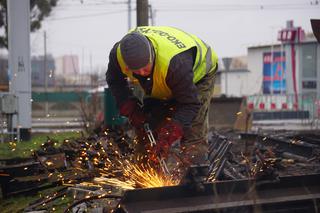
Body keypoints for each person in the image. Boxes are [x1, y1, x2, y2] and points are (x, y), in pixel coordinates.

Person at [106, 26, 218, 169]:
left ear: (152, 55)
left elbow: (190, 104)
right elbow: (115, 81)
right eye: (136, 70)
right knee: (148, 128)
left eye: (145, 67)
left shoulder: (176, 64)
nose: (141, 72)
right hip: (163, 78)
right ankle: (145, 174)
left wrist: (171, 131)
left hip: (199, 76)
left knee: (192, 130)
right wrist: (131, 108)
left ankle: (196, 178)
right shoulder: (118, 55)